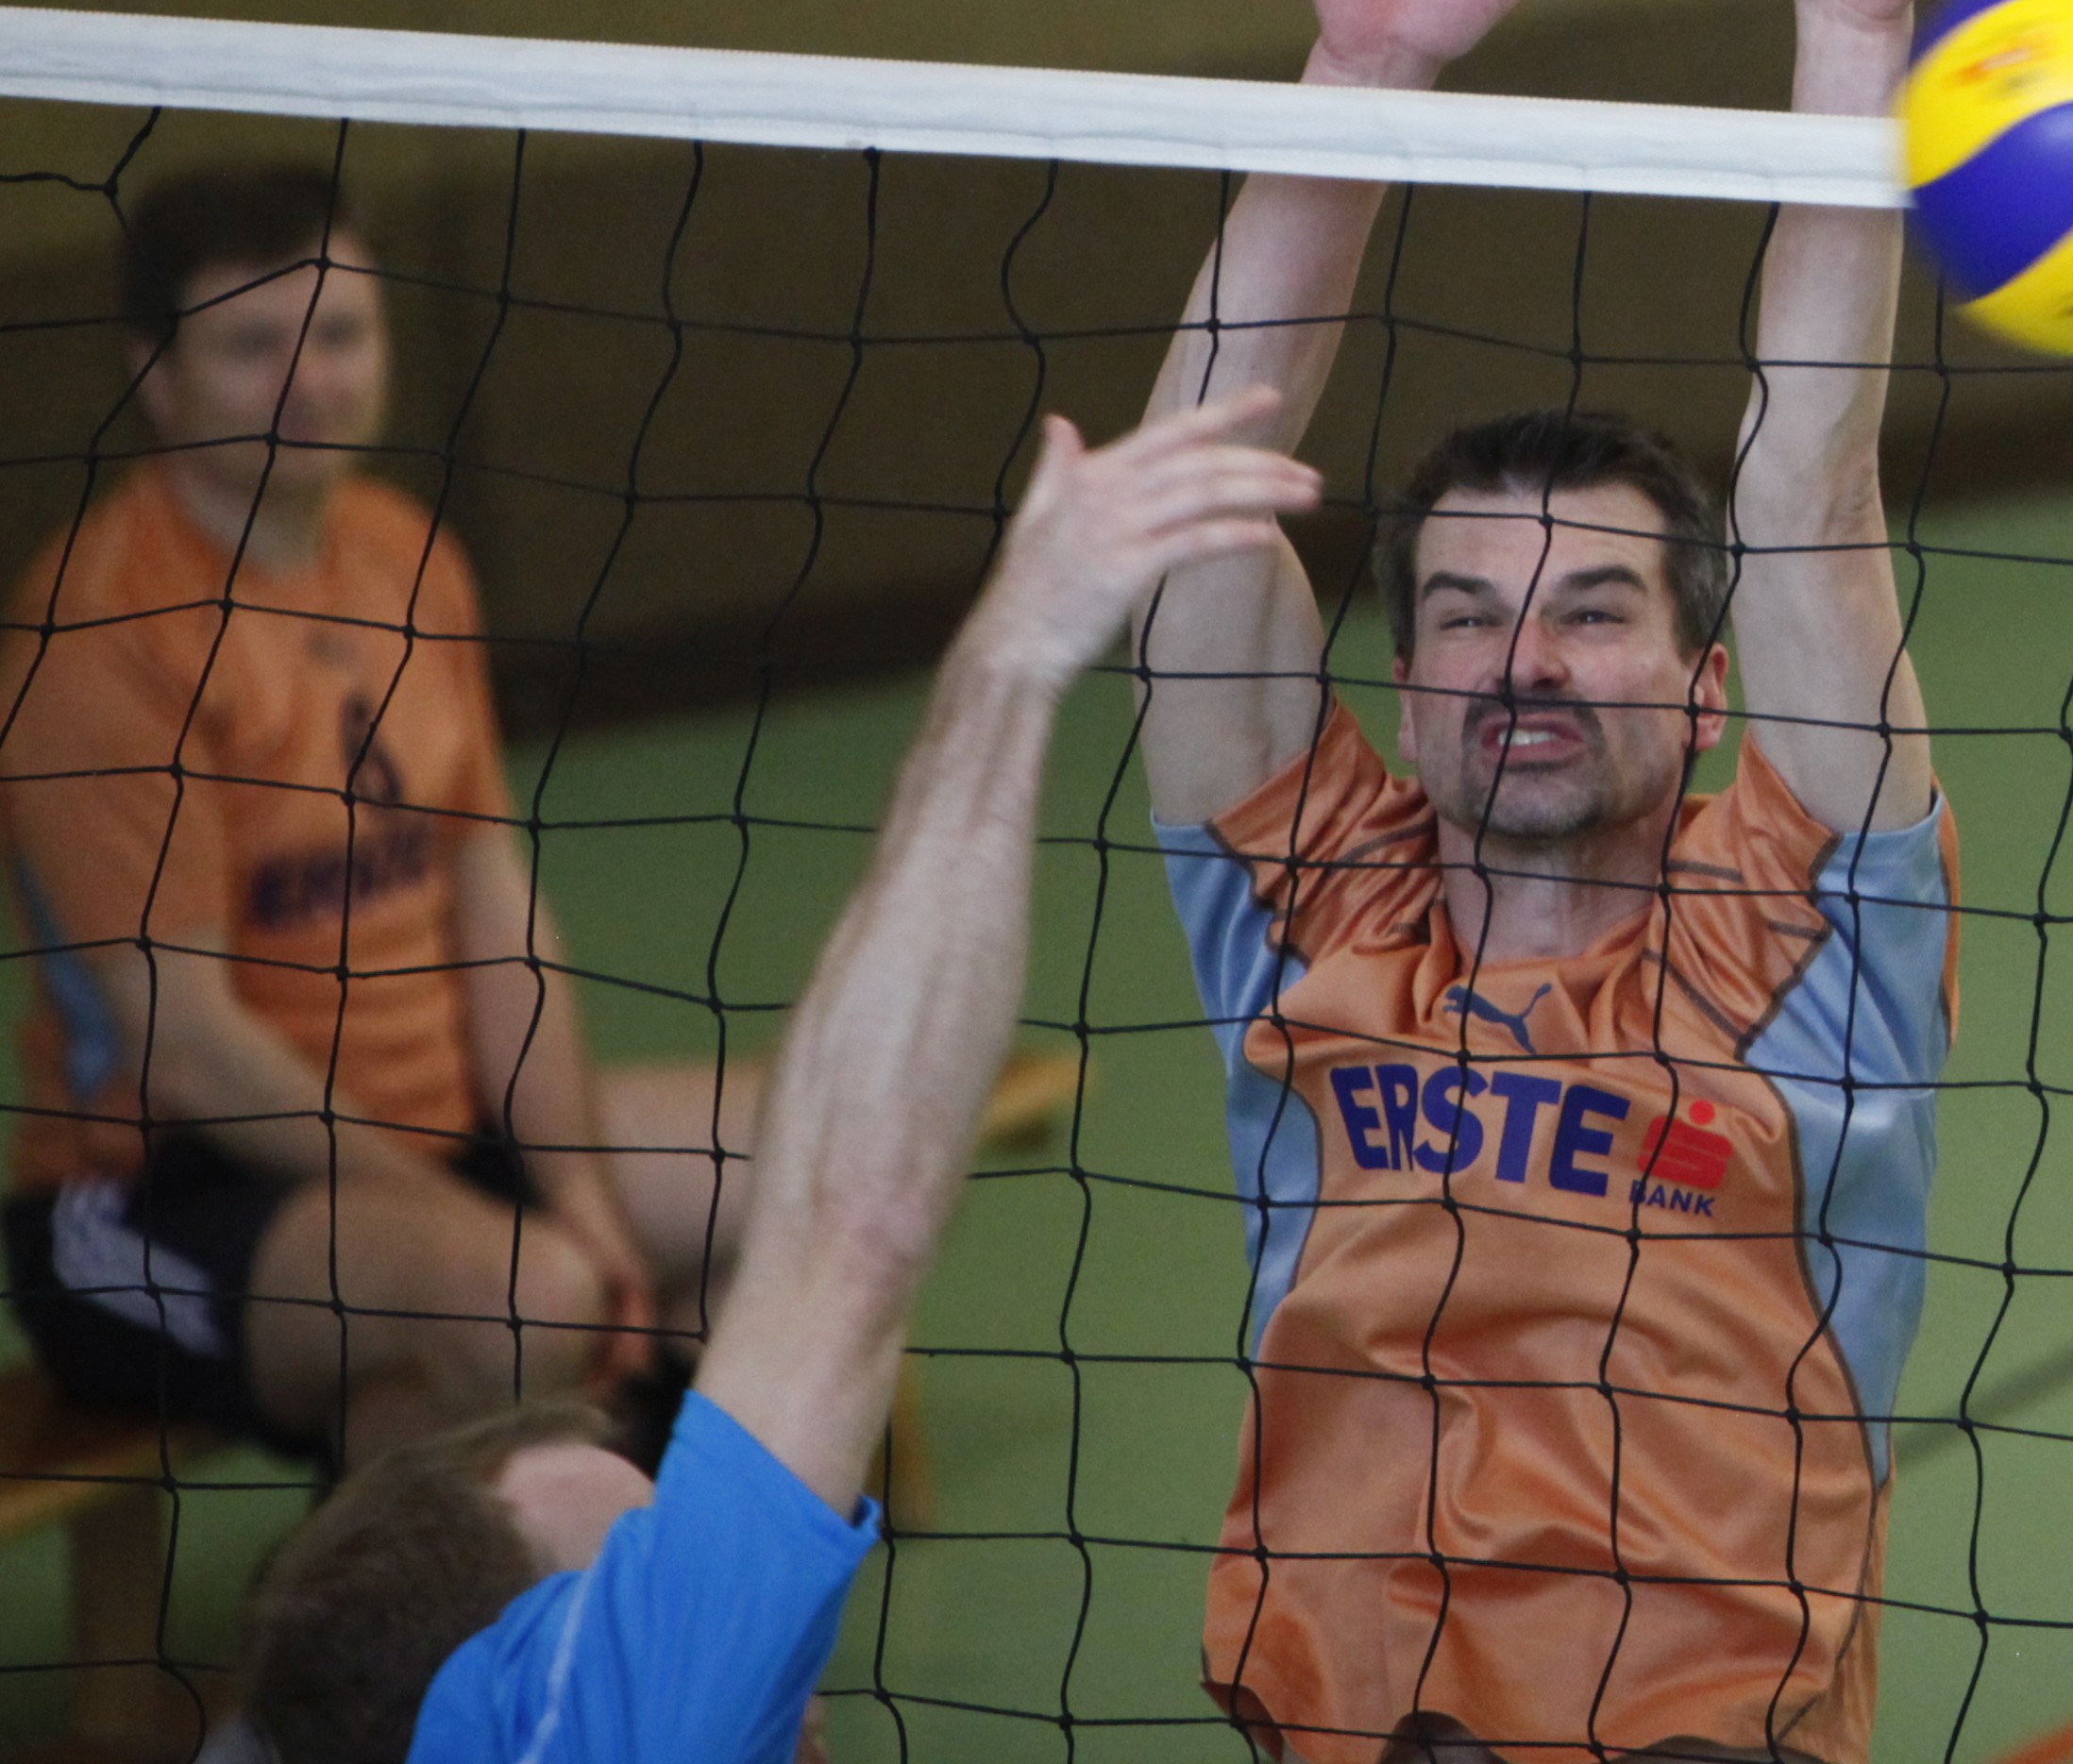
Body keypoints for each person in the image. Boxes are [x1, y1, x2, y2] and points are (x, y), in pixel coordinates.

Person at [1134, 0, 2063, 1764]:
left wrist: (1852, 29)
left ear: (1709, 686)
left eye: (1593, 614)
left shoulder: (1802, 931)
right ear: (1403, 690)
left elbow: (1808, 487)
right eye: (1466, 618)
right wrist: (1360, 74)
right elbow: (1196, 477)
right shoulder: (1314, 908)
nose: (1523, 662)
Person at [231, 391, 1320, 1763]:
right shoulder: (633, 1730)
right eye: (656, 1586)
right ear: (548, 1679)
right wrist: (1016, 650)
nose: (769, 1634)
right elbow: (853, 1225)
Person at [2, 167, 752, 1468]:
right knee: (525, 1293)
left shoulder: (408, 557)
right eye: (253, 347)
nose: (310, 381)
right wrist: (483, 1217)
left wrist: (576, 1190)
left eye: (341, 333)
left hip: (425, 1142)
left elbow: (494, 913)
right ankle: (389, 1595)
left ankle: (665, 1562)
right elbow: (184, 1046)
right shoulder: (100, 630)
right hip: (152, 1203)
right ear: (155, 376)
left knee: (803, 1163)